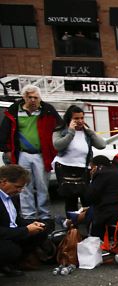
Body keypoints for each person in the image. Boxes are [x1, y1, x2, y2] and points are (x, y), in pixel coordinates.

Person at [0, 85, 61, 223]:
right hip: (22, 153)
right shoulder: (14, 110)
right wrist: (7, 150)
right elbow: (5, 131)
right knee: (23, 186)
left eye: (35, 97)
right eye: (29, 97)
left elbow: (59, 127)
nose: (33, 100)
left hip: (41, 153)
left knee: (42, 185)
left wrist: (55, 148)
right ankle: (29, 216)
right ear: (24, 97)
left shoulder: (47, 110)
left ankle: (45, 215)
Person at [52, 105, 107, 214]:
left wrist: (90, 132)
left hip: (82, 167)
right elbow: (58, 145)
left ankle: (87, 223)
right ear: (69, 119)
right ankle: (72, 227)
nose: (80, 121)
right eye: (76, 118)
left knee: (86, 197)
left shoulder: (86, 132)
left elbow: (101, 145)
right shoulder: (61, 130)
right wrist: (71, 132)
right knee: (70, 199)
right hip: (65, 167)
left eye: (82, 118)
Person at [0, 165, 47, 277]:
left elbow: (15, 220)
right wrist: (25, 230)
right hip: (2, 235)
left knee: (42, 229)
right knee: (11, 249)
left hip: (9, 232)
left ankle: (10, 265)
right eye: (17, 187)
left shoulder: (12, 197)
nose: (20, 191)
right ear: (3, 182)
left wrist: (32, 225)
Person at [83, 155, 118, 238]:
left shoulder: (101, 175)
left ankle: (71, 222)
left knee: (90, 211)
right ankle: (70, 221)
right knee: (89, 210)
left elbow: (88, 198)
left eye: (91, 167)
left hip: (111, 214)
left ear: (96, 167)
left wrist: (91, 178)